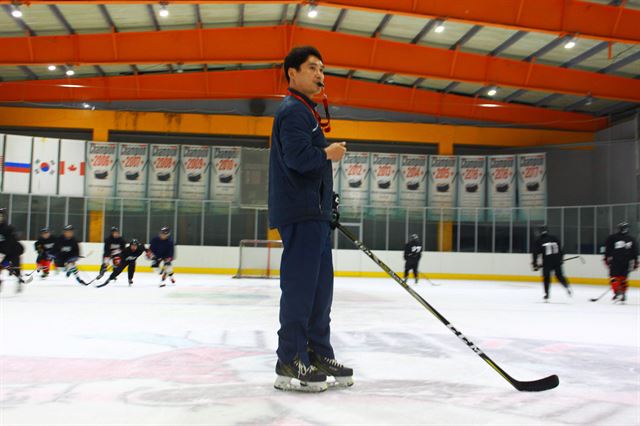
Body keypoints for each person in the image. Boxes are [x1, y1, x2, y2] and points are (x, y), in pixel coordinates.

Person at [268, 45, 352, 392]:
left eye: (322, 69)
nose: (320, 75)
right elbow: (299, 159)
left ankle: (317, 352)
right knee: (301, 289)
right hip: (300, 213)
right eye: (313, 68)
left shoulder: (307, 112)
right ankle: (290, 357)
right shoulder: (293, 111)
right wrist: (328, 153)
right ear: (292, 73)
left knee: (320, 290)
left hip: (313, 213)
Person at [532, 225, 572, 301]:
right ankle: (566, 286)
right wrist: (561, 259)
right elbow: (561, 250)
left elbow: (535, 253)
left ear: (540, 232)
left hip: (547, 262)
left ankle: (546, 294)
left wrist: (535, 264)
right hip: (557, 261)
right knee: (559, 276)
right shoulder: (554, 238)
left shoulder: (539, 240)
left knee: (546, 278)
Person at [604, 221, 638, 303]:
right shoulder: (631, 239)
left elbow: (608, 248)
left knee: (613, 277)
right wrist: (636, 262)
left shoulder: (612, 237)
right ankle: (623, 293)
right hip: (627, 261)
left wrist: (606, 258)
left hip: (616, 260)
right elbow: (635, 252)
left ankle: (617, 292)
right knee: (623, 278)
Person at [0, 207, 27, 292]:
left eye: (1, 216)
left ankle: (19, 280)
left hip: (14, 252)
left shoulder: (8, 229)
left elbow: (12, 244)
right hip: (5, 252)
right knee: (4, 265)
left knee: (13, 268)